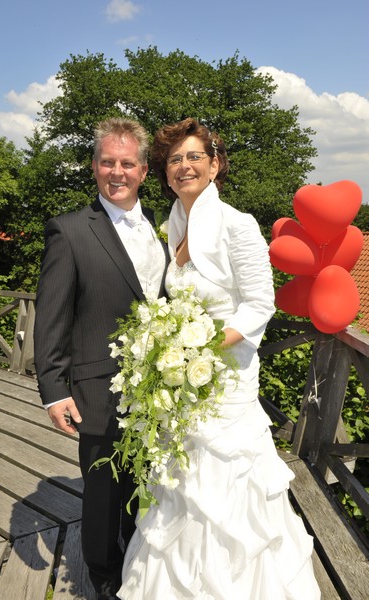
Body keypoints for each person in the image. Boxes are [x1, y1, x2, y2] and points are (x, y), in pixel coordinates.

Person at [118, 118, 321, 599]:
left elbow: (259, 303)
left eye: (194, 157)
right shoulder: (172, 223)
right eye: (174, 160)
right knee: (181, 484)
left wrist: (204, 347)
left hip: (226, 383)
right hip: (182, 383)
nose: (183, 166)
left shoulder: (237, 224)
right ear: (165, 173)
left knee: (226, 488)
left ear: (214, 165)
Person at [34, 117, 169, 600]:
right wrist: (53, 391)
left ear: (143, 170)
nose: (117, 171)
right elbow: (51, 317)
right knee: (102, 499)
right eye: (107, 162)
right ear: (93, 166)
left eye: (127, 163)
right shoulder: (69, 231)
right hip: (96, 393)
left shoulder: (160, 226)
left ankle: (137, 570)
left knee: (145, 491)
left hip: (158, 393)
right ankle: (104, 581)